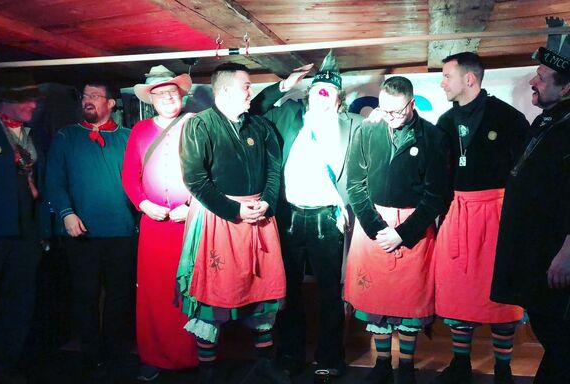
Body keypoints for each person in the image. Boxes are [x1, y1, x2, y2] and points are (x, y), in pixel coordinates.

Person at [250, 50, 363, 378]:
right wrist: (283, 86)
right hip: (289, 215)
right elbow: (253, 111)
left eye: (328, 92)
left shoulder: (354, 125)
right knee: (288, 290)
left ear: (338, 99)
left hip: (328, 218)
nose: (321, 96)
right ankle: (290, 356)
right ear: (309, 93)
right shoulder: (288, 115)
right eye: (316, 90)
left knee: (329, 292)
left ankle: (329, 359)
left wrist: (345, 208)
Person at [177, 63, 289, 384]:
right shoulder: (199, 125)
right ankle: (208, 372)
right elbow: (195, 179)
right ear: (225, 91)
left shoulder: (260, 126)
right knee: (212, 296)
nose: (251, 92)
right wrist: (235, 211)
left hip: (260, 217)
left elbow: (274, 170)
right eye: (246, 86)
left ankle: (264, 365)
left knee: (263, 295)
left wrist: (267, 202)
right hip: (219, 220)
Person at [343, 76, 449, 384]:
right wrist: (377, 228)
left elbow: (436, 195)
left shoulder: (432, 136)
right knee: (376, 299)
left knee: (409, 301)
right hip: (373, 226)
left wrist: (403, 233)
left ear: (412, 104)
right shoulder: (367, 130)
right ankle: (381, 365)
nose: (390, 117)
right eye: (384, 110)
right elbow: (355, 185)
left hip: (413, 229)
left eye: (397, 111)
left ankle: (405, 367)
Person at [433, 52, 529, 384]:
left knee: (500, 294)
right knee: (460, 291)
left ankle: (503, 368)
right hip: (458, 215)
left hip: (497, 216)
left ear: (469, 79)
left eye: (447, 76)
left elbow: (524, 175)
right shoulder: (445, 123)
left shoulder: (509, 119)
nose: (442, 83)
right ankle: (461, 364)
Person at [491, 16, 570, 384]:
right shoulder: (548, 121)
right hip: (538, 254)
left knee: (560, 338)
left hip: (557, 258)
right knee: (552, 335)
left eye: (541, 77)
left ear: (566, 87)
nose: (532, 82)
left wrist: (568, 252)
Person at [46, 82, 137, 381]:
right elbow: (54, 179)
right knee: (84, 295)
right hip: (81, 232)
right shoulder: (67, 135)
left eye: (95, 96)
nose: (88, 100)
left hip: (121, 230)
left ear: (110, 103)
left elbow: (138, 179)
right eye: (85, 96)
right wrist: (66, 213)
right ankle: (89, 357)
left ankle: (115, 354)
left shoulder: (127, 137)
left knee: (119, 297)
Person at [122, 66, 198, 381]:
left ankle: (195, 355)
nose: (167, 98)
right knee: (154, 291)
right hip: (155, 225)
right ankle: (154, 356)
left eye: (171, 92)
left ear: (181, 95)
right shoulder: (140, 131)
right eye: (160, 94)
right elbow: (130, 174)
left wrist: (193, 207)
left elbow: (212, 172)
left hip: (190, 224)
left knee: (191, 289)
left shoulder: (197, 124)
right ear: (151, 100)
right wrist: (143, 204)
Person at [0, 80, 48, 384]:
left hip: (25, 234)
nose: (33, 106)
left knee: (18, 306)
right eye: (26, 100)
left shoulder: (30, 133)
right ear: (5, 101)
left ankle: (4, 369)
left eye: (35, 100)